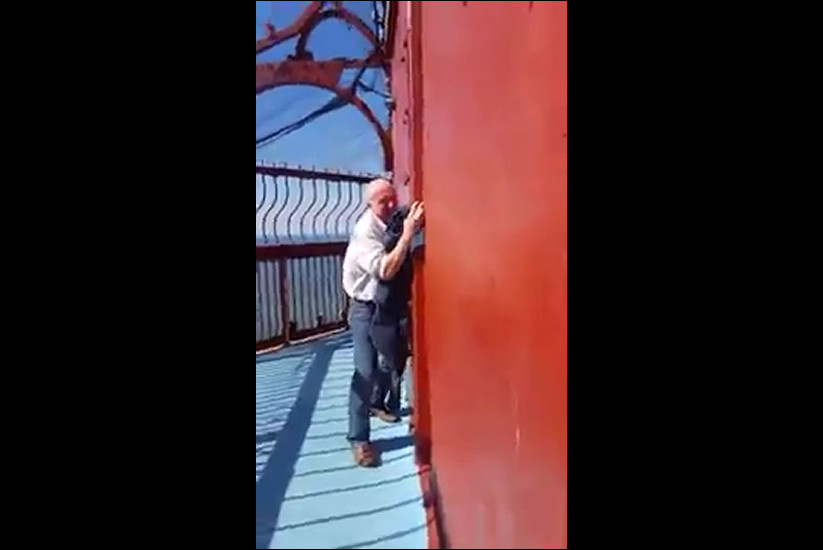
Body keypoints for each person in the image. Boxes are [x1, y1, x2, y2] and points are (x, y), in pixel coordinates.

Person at [341, 178, 424, 467]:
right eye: (382, 201)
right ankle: (359, 439)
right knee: (365, 371)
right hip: (365, 307)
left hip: (387, 304)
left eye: (392, 199)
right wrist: (409, 234)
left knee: (392, 358)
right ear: (369, 204)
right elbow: (386, 271)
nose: (389, 205)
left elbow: (404, 218)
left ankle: (377, 403)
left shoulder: (392, 219)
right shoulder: (365, 233)